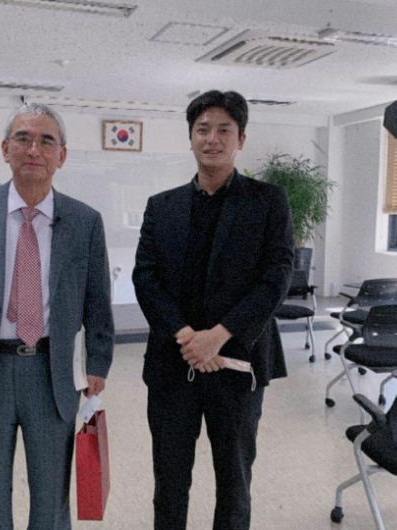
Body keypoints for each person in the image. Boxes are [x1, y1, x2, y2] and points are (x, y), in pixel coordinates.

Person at [0, 103, 114, 530]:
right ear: (5, 149)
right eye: (23, 138)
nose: (34, 149)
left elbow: (97, 300)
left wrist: (99, 363)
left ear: (61, 155)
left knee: (51, 497)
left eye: (46, 141)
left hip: (51, 371)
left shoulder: (84, 221)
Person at [132, 90, 294, 530]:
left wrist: (218, 335)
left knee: (235, 482)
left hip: (238, 364)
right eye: (203, 129)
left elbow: (276, 276)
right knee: (169, 482)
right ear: (190, 138)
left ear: (241, 139)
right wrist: (187, 337)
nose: (212, 139)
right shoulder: (161, 206)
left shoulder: (268, 201)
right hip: (173, 363)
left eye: (224, 129)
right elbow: (145, 277)